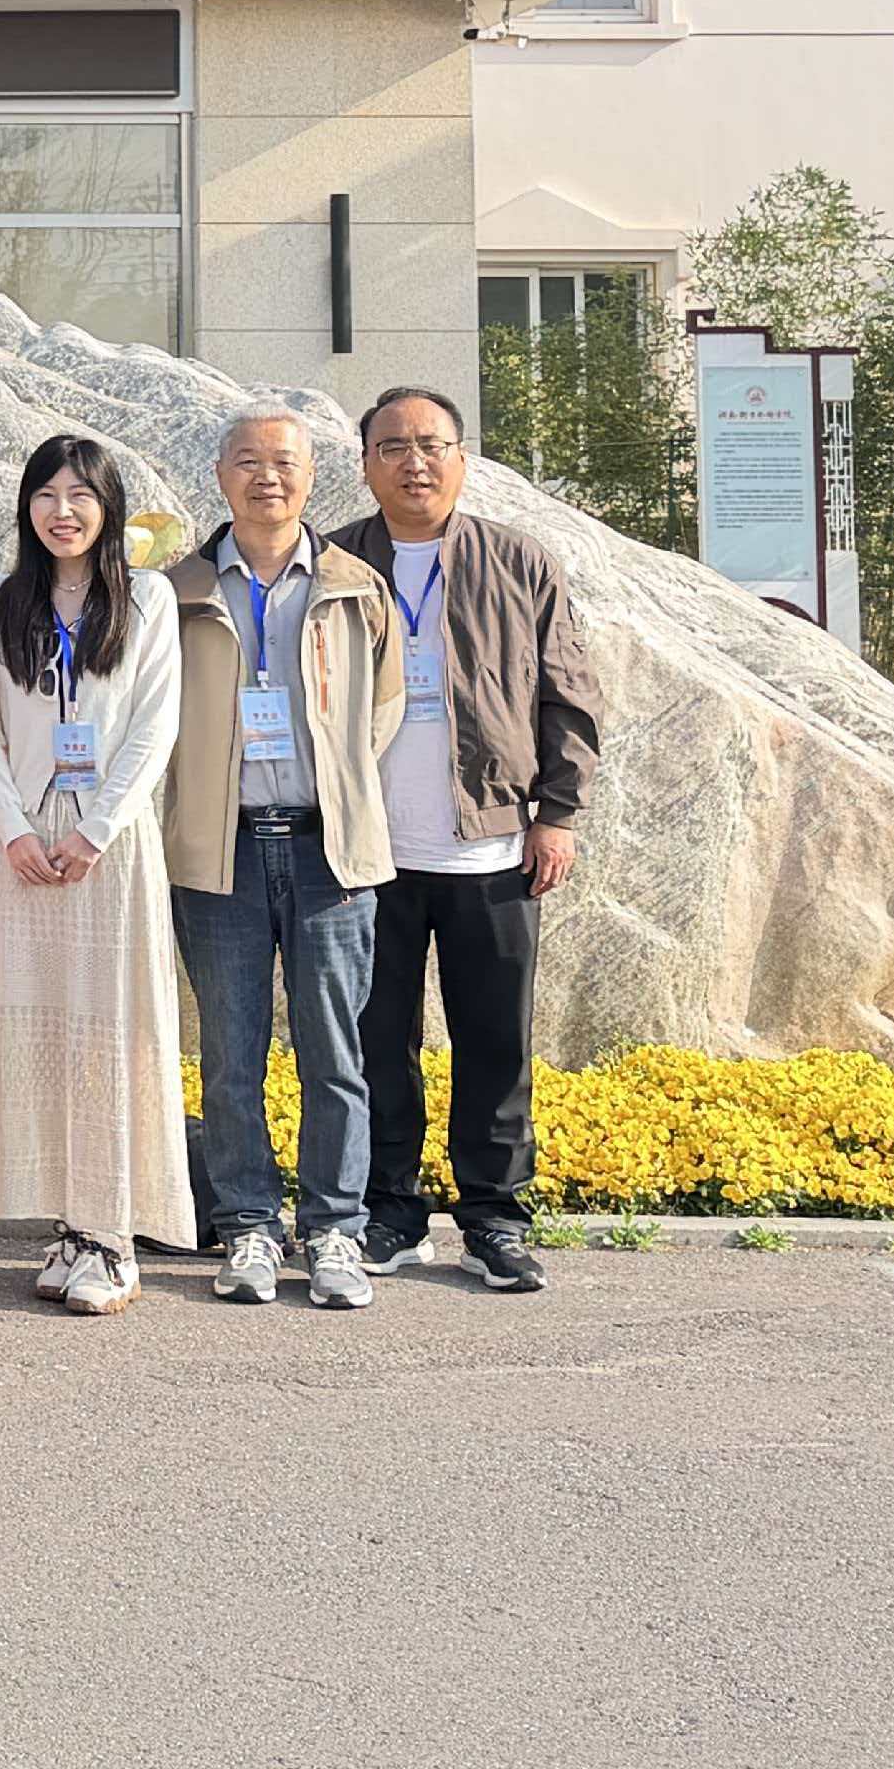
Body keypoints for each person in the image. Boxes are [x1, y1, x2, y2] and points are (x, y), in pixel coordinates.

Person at [329, 386, 603, 1297]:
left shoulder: (519, 561)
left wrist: (557, 813)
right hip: (368, 851)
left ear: (461, 458)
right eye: (393, 446)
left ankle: (495, 1217)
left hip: (491, 849)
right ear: (366, 463)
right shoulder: (335, 562)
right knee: (377, 1043)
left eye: (432, 445)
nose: (414, 462)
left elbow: (568, 695)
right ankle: (390, 1210)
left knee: (495, 1043)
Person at [163, 400, 406, 1311]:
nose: (267, 477)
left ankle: (335, 1228)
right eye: (248, 461)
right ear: (220, 476)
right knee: (231, 1056)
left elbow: (384, 708)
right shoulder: (178, 593)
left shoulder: (354, 587)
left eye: (285, 462)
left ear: (311, 477)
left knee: (334, 1054)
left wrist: (336, 789)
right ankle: (250, 1226)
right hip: (218, 852)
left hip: (326, 853)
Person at [0, 436, 190, 1316]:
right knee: (43, 1031)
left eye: (81, 496)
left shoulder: (147, 598)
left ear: (109, 507)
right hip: (24, 846)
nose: (63, 512)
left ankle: (113, 1236)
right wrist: (13, 829)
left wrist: (96, 831)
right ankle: (69, 1226)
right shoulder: (0, 599)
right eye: (47, 495)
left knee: (112, 1028)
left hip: (110, 843)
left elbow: (154, 725)